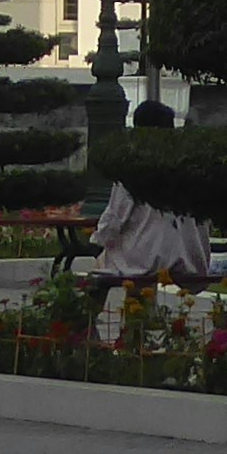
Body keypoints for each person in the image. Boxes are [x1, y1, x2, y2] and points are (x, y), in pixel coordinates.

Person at [86, 101, 216, 307]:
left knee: (100, 270)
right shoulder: (190, 165)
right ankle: (138, 323)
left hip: (146, 257)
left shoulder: (133, 166)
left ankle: (91, 324)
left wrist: (98, 239)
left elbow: (115, 218)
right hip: (190, 257)